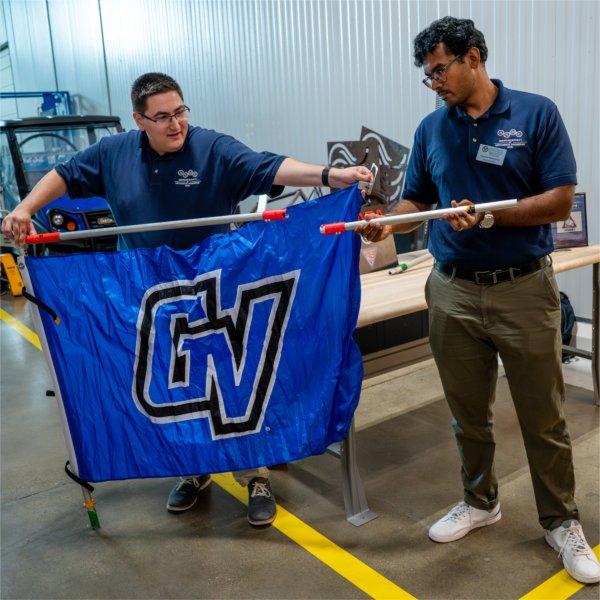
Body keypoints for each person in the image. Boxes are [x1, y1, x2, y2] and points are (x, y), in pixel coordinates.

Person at [2, 72, 371, 527]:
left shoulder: (212, 148)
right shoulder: (113, 154)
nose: (175, 124)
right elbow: (63, 174)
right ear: (139, 120)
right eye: (162, 117)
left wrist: (332, 175)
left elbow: (268, 166)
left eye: (180, 111)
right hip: (152, 296)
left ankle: (255, 474)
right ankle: (194, 471)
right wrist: (24, 207)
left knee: (231, 388)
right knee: (177, 387)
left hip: (214, 292)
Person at [358, 17, 599, 585]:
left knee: (543, 418)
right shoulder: (430, 129)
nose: (434, 82)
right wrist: (381, 224)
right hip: (452, 290)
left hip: (522, 287)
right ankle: (480, 501)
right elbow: (415, 197)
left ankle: (561, 521)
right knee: (468, 413)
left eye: (440, 70)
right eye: (427, 76)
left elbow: (560, 200)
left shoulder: (535, 113)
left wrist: (491, 212)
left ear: (473, 58)